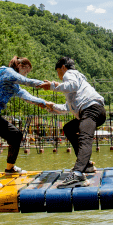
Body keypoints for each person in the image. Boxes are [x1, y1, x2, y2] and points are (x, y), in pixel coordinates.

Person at [0, 56, 50, 190]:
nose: (26, 74)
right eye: (26, 71)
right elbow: (26, 81)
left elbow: (26, 96)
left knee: (15, 135)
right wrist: (45, 84)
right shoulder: (9, 73)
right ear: (21, 67)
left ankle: (10, 168)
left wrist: (44, 103)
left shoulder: (13, 85)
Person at [41, 57, 106, 188]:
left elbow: (72, 85)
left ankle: (77, 174)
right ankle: (86, 166)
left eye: (58, 72)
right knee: (69, 128)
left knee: (84, 137)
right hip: (92, 110)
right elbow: (68, 107)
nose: (59, 76)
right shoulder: (76, 85)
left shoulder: (69, 74)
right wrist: (52, 106)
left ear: (63, 67)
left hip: (91, 109)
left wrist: (53, 86)